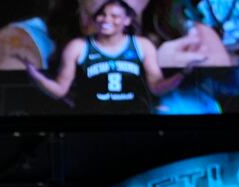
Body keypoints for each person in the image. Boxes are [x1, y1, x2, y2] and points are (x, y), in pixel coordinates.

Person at [23, 0, 201, 112]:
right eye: (103, 15)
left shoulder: (143, 46)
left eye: (115, 16)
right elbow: (60, 89)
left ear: (127, 20)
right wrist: (34, 74)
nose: (106, 20)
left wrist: (183, 73)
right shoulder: (77, 47)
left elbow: (156, 86)